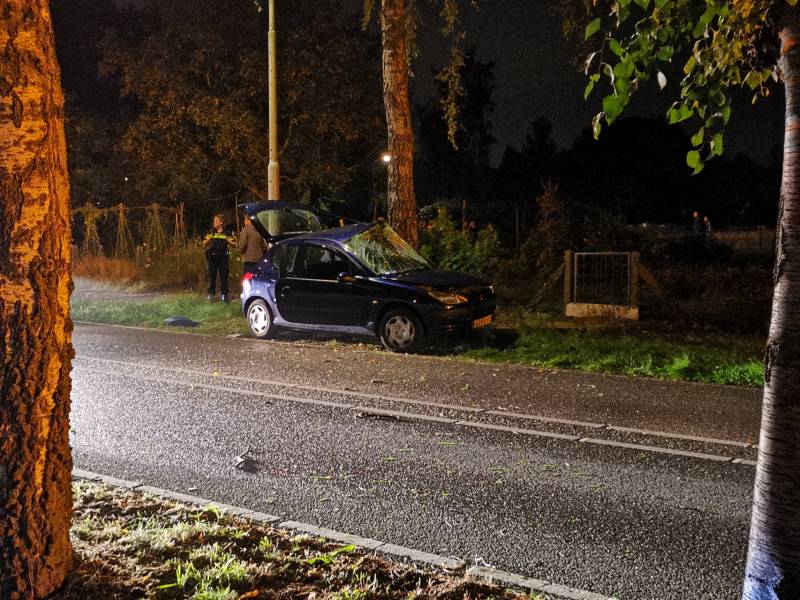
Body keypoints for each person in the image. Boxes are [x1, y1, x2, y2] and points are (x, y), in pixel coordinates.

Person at [203, 213, 235, 302]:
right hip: (212, 258)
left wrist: (229, 241)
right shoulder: (211, 232)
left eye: (216, 221)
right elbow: (204, 243)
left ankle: (224, 295)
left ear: (221, 223)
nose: (214, 223)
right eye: (214, 221)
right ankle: (211, 294)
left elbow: (234, 244)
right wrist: (208, 239)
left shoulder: (227, 233)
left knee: (224, 277)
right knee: (212, 276)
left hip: (223, 258)